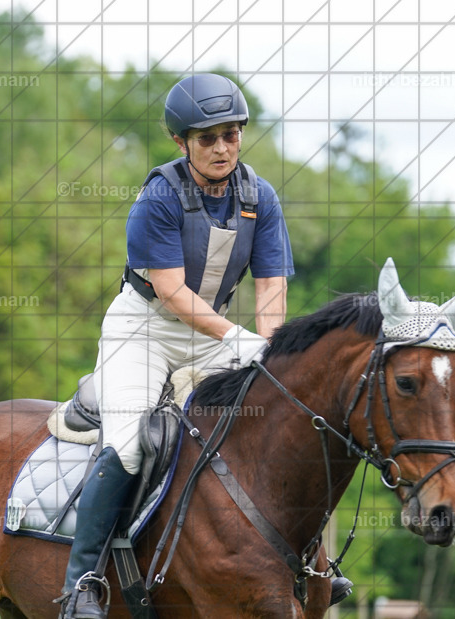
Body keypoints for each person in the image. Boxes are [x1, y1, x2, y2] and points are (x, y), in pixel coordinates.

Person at [56, 74, 352, 618]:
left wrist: (270, 347)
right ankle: (83, 582)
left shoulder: (260, 197)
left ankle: (310, 566)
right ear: (181, 142)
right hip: (143, 329)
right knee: (127, 443)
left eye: (231, 136)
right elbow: (169, 291)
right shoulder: (160, 196)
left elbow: (271, 287)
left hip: (209, 331)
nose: (222, 149)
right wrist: (235, 336)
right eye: (207, 138)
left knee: (280, 417)